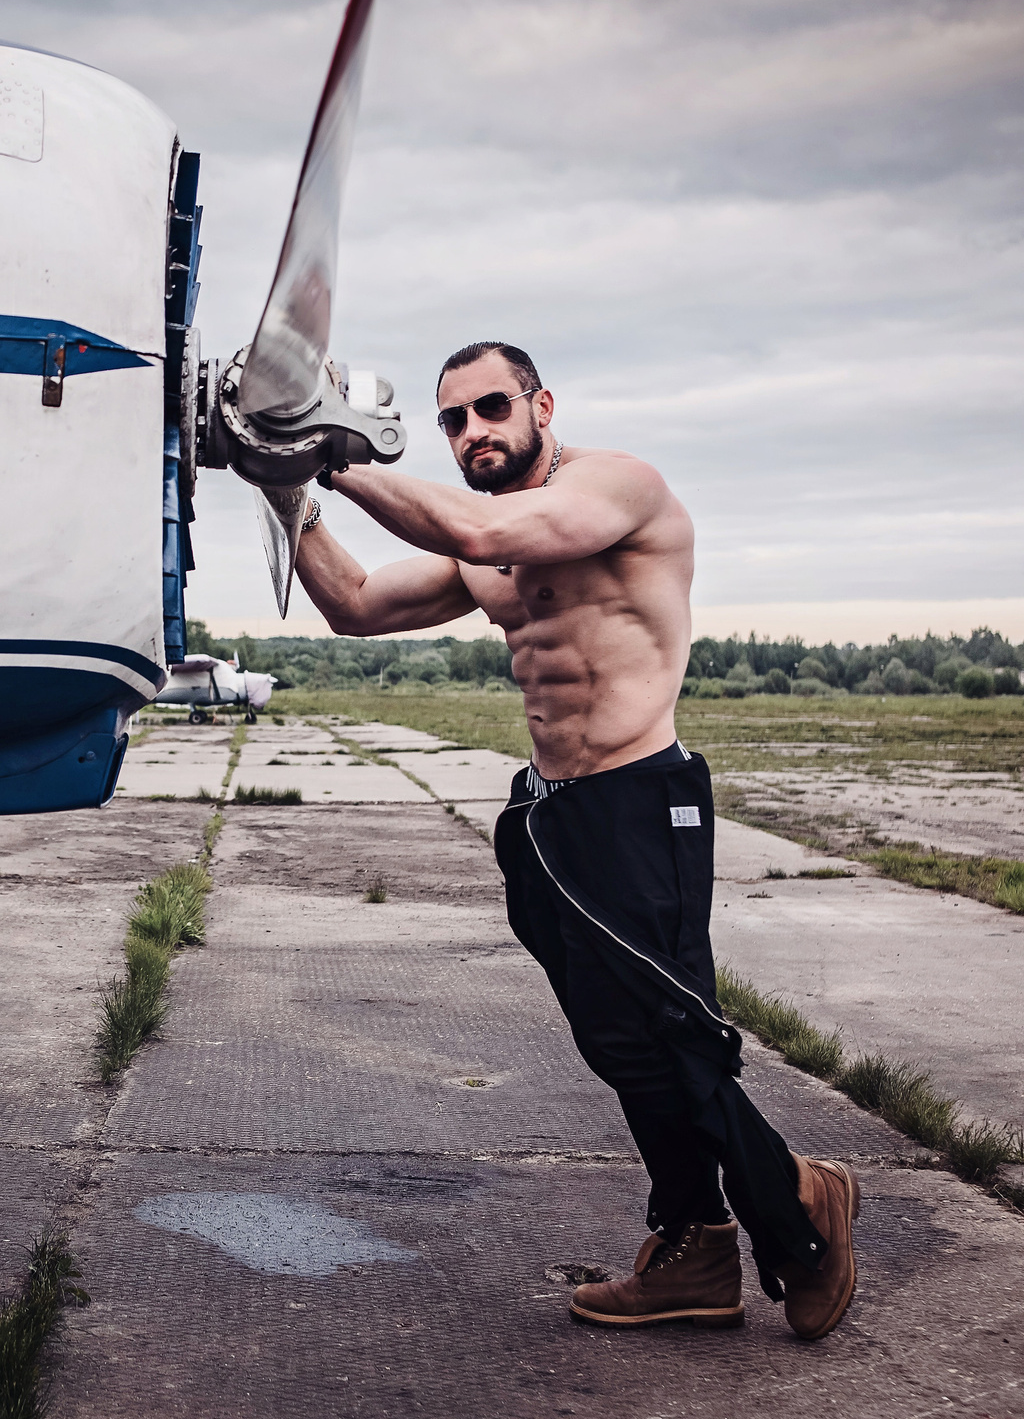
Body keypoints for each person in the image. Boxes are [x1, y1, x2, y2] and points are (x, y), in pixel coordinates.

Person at [290, 340, 859, 1338]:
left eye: (490, 407)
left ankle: (801, 1211)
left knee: (678, 1039)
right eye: (453, 420)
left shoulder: (617, 490)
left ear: (541, 403)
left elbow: (483, 520)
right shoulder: (487, 547)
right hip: (556, 819)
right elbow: (353, 605)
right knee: (618, 1047)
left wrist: (328, 450)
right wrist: (284, 485)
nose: (474, 431)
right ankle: (695, 1245)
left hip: (644, 800)